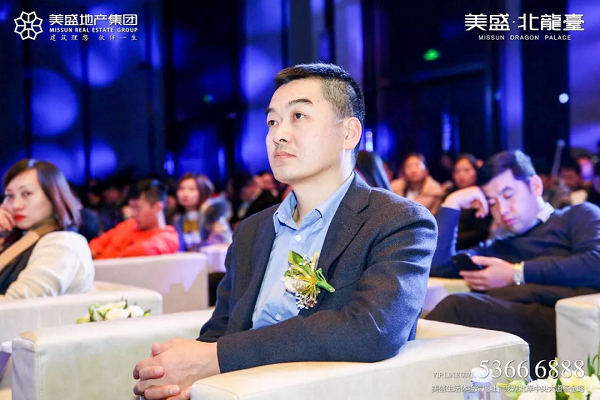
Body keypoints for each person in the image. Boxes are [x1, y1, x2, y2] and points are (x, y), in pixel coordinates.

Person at [132, 63, 437, 400]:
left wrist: (216, 358)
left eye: (298, 116)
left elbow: (372, 330)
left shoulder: (397, 220)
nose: (278, 135)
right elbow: (221, 329)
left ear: (349, 133)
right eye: (272, 122)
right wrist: (186, 380)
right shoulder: (252, 230)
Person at [427, 150, 600, 377]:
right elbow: (438, 266)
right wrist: (453, 202)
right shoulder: (499, 246)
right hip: (507, 329)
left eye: (508, 195)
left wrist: (515, 274)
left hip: (562, 325)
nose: (502, 210)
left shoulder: (577, 216)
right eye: (492, 202)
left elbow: (595, 264)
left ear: (535, 186)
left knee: (457, 307)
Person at [0, 159, 94, 300]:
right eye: (10, 196)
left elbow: (17, 304)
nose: (16, 205)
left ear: (53, 196)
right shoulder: (18, 239)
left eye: (27, 193)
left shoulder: (63, 243)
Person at [89, 180, 179, 259]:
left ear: (157, 208)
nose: (132, 214)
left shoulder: (167, 237)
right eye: (131, 207)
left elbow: (141, 251)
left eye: (137, 208)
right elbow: (97, 243)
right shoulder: (129, 224)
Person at [441, 154, 491, 250]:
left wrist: (452, 238)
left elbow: (481, 232)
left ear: (476, 171)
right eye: (457, 171)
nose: (461, 175)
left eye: (466, 170)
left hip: (471, 248)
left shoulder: (482, 195)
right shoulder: (449, 194)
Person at [173, 173, 231, 251]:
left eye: (192, 189)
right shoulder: (178, 219)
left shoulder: (212, 215)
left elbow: (226, 242)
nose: (185, 193)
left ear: (203, 191)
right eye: (181, 189)